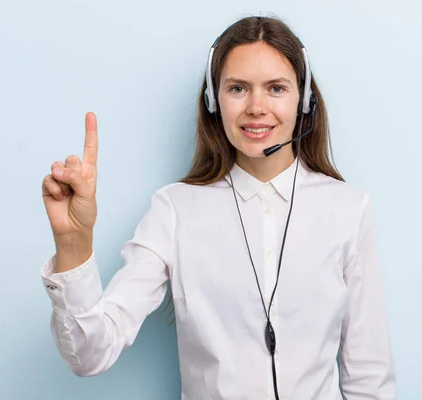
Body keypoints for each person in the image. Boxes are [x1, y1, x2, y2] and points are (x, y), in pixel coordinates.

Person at [40, 15, 396, 400]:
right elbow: (90, 355)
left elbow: (369, 378)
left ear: (304, 99)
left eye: (276, 88)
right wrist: (73, 244)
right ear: (214, 100)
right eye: (238, 88)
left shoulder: (348, 209)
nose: (257, 107)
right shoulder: (174, 209)